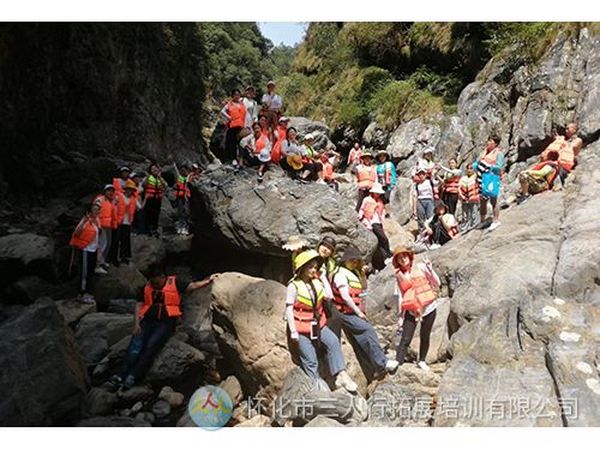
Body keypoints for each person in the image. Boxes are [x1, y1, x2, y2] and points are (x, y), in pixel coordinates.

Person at [110, 264, 220, 390]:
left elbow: (192, 286)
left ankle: (133, 376)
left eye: (157, 282)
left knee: (150, 346)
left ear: (162, 277)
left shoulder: (175, 283)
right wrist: (136, 324)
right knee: (135, 346)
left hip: (165, 323)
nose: (155, 285)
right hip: (147, 321)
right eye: (153, 282)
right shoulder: (147, 286)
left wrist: (208, 281)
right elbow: (139, 305)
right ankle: (120, 375)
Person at [286, 250, 358, 392]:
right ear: (302, 268)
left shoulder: (316, 282)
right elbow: (289, 309)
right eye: (310, 267)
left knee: (332, 342)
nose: (313, 270)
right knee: (311, 360)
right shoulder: (293, 286)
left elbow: (329, 296)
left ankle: (341, 375)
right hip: (301, 328)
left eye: (315, 267)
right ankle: (316, 388)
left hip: (318, 324)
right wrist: (293, 331)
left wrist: (323, 278)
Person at [331, 246, 399, 378]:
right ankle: (382, 362)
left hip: (352, 312)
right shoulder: (339, 274)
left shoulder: (353, 273)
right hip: (344, 312)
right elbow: (345, 297)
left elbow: (364, 287)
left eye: (356, 261)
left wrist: (362, 273)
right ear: (345, 260)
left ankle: (372, 369)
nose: (354, 263)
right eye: (351, 260)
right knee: (368, 330)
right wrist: (358, 312)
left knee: (359, 340)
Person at [392, 246, 440, 371]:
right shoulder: (399, 276)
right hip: (411, 310)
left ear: (409, 257)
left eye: (404, 256)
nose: (403, 259)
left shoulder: (421, 267)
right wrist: (400, 316)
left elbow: (437, 283)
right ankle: (398, 362)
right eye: (399, 258)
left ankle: (422, 360)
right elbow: (400, 297)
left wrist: (430, 268)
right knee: (406, 338)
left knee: (425, 335)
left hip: (428, 308)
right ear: (397, 262)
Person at [70, 202, 101, 304]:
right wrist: (84, 221)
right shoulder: (85, 220)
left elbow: (97, 238)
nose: (97, 211)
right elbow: (76, 233)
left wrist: (99, 253)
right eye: (95, 209)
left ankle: (87, 292)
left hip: (93, 250)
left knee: (90, 272)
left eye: (98, 210)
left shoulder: (96, 221)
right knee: (84, 272)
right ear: (90, 211)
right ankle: (82, 293)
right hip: (85, 250)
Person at [475, 135, 505, 231]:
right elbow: (477, 163)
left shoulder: (499, 153)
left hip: (492, 177)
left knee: (493, 199)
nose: (488, 142)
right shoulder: (484, 152)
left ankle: (496, 220)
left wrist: (488, 166)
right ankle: (483, 220)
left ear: (495, 143)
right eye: (488, 140)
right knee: (483, 200)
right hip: (482, 178)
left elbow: (499, 166)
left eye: (490, 141)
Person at [359, 183, 392, 263]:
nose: (378, 195)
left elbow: (382, 212)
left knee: (381, 241)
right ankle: (388, 255)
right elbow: (362, 209)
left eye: (379, 193)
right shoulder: (367, 199)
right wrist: (361, 218)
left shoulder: (380, 201)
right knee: (384, 239)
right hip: (371, 222)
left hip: (378, 222)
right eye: (376, 193)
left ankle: (385, 257)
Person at [110, 179, 140, 265]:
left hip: (127, 222)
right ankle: (114, 258)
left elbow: (140, 207)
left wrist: (143, 198)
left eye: (132, 189)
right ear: (126, 188)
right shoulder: (118, 196)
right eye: (129, 189)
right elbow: (112, 205)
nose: (130, 191)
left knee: (125, 241)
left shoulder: (133, 199)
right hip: (118, 221)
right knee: (116, 240)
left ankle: (124, 257)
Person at [93, 184, 118, 274]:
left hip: (108, 226)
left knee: (107, 244)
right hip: (101, 226)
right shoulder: (100, 199)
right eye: (108, 190)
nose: (110, 192)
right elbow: (95, 213)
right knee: (101, 245)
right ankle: (97, 265)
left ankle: (102, 261)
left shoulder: (111, 201)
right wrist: (98, 225)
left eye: (112, 191)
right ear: (105, 191)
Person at [220, 89, 247, 164]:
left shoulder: (242, 104)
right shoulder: (229, 104)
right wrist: (228, 117)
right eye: (235, 94)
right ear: (232, 96)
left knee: (240, 143)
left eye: (238, 94)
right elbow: (222, 111)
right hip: (232, 126)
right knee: (232, 142)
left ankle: (240, 159)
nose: (237, 96)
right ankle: (232, 158)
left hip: (241, 126)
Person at [142, 163, 167, 237]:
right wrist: (147, 177)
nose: (154, 170)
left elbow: (165, 185)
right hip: (150, 198)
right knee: (149, 213)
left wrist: (160, 178)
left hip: (157, 198)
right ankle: (148, 229)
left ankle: (154, 229)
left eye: (155, 169)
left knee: (156, 214)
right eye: (152, 169)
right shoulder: (148, 177)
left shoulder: (160, 178)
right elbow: (144, 185)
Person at [458, 163, 480, 230]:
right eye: (468, 168)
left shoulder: (476, 177)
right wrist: (461, 195)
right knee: (465, 212)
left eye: (471, 168)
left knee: (474, 211)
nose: (469, 170)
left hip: (474, 197)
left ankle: (474, 223)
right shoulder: (463, 178)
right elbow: (459, 187)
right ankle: (466, 225)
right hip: (465, 197)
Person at [375, 150, 397, 216]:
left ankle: (388, 213)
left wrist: (393, 183)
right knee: (380, 198)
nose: (382, 157)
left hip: (388, 184)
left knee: (387, 198)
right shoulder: (377, 166)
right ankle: (380, 212)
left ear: (386, 156)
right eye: (380, 156)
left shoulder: (390, 164)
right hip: (380, 184)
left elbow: (393, 174)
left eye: (383, 156)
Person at [173, 164, 191, 235]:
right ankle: (180, 226)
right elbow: (176, 185)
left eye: (184, 170)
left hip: (187, 198)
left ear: (187, 171)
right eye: (181, 171)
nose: (183, 172)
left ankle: (186, 227)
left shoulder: (190, 177)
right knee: (180, 212)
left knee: (186, 213)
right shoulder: (179, 178)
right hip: (180, 197)